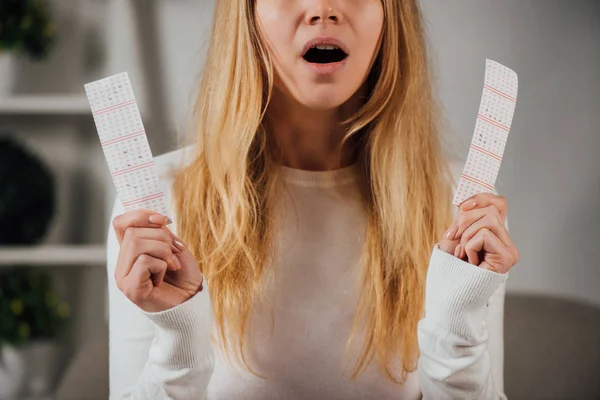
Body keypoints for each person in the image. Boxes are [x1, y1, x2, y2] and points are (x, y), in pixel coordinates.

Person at [106, 0, 520, 398]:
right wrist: (178, 342)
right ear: (246, 15)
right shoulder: (157, 205)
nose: (323, 8)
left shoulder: (461, 205)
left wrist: (457, 328)